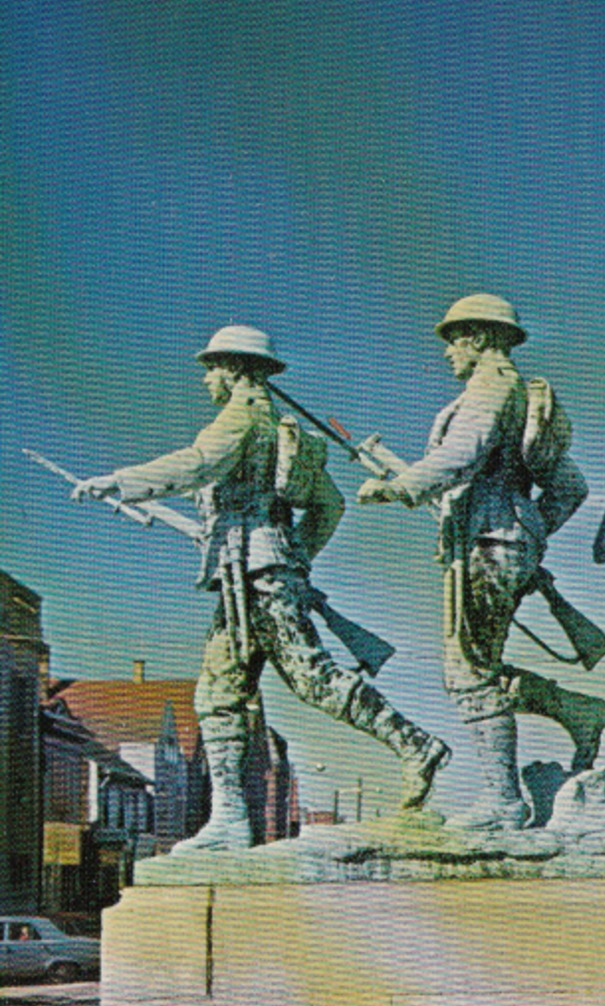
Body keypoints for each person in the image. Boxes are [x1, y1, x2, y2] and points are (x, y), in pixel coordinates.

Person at [75, 324, 449, 851]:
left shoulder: (240, 418)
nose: (206, 378)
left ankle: (415, 744)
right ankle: (230, 819)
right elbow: (329, 506)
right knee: (218, 693)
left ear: (234, 369)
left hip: (258, 577)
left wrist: (121, 482)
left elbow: (197, 464)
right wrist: (295, 554)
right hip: (247, 576)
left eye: (212, 367)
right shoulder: (277, 424)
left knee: (311, 679)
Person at [357, 293, 605, 830]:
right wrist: (531, 533)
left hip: (488, 544)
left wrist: (399, 487)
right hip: (498, 540)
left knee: (467, 673)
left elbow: (461, 455)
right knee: (478, 666)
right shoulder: (522, 393)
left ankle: (505, 799)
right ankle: (576, 712)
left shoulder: (492, 387)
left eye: (454, 340)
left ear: (478, 338)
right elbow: (569, 488)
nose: (449, 352)